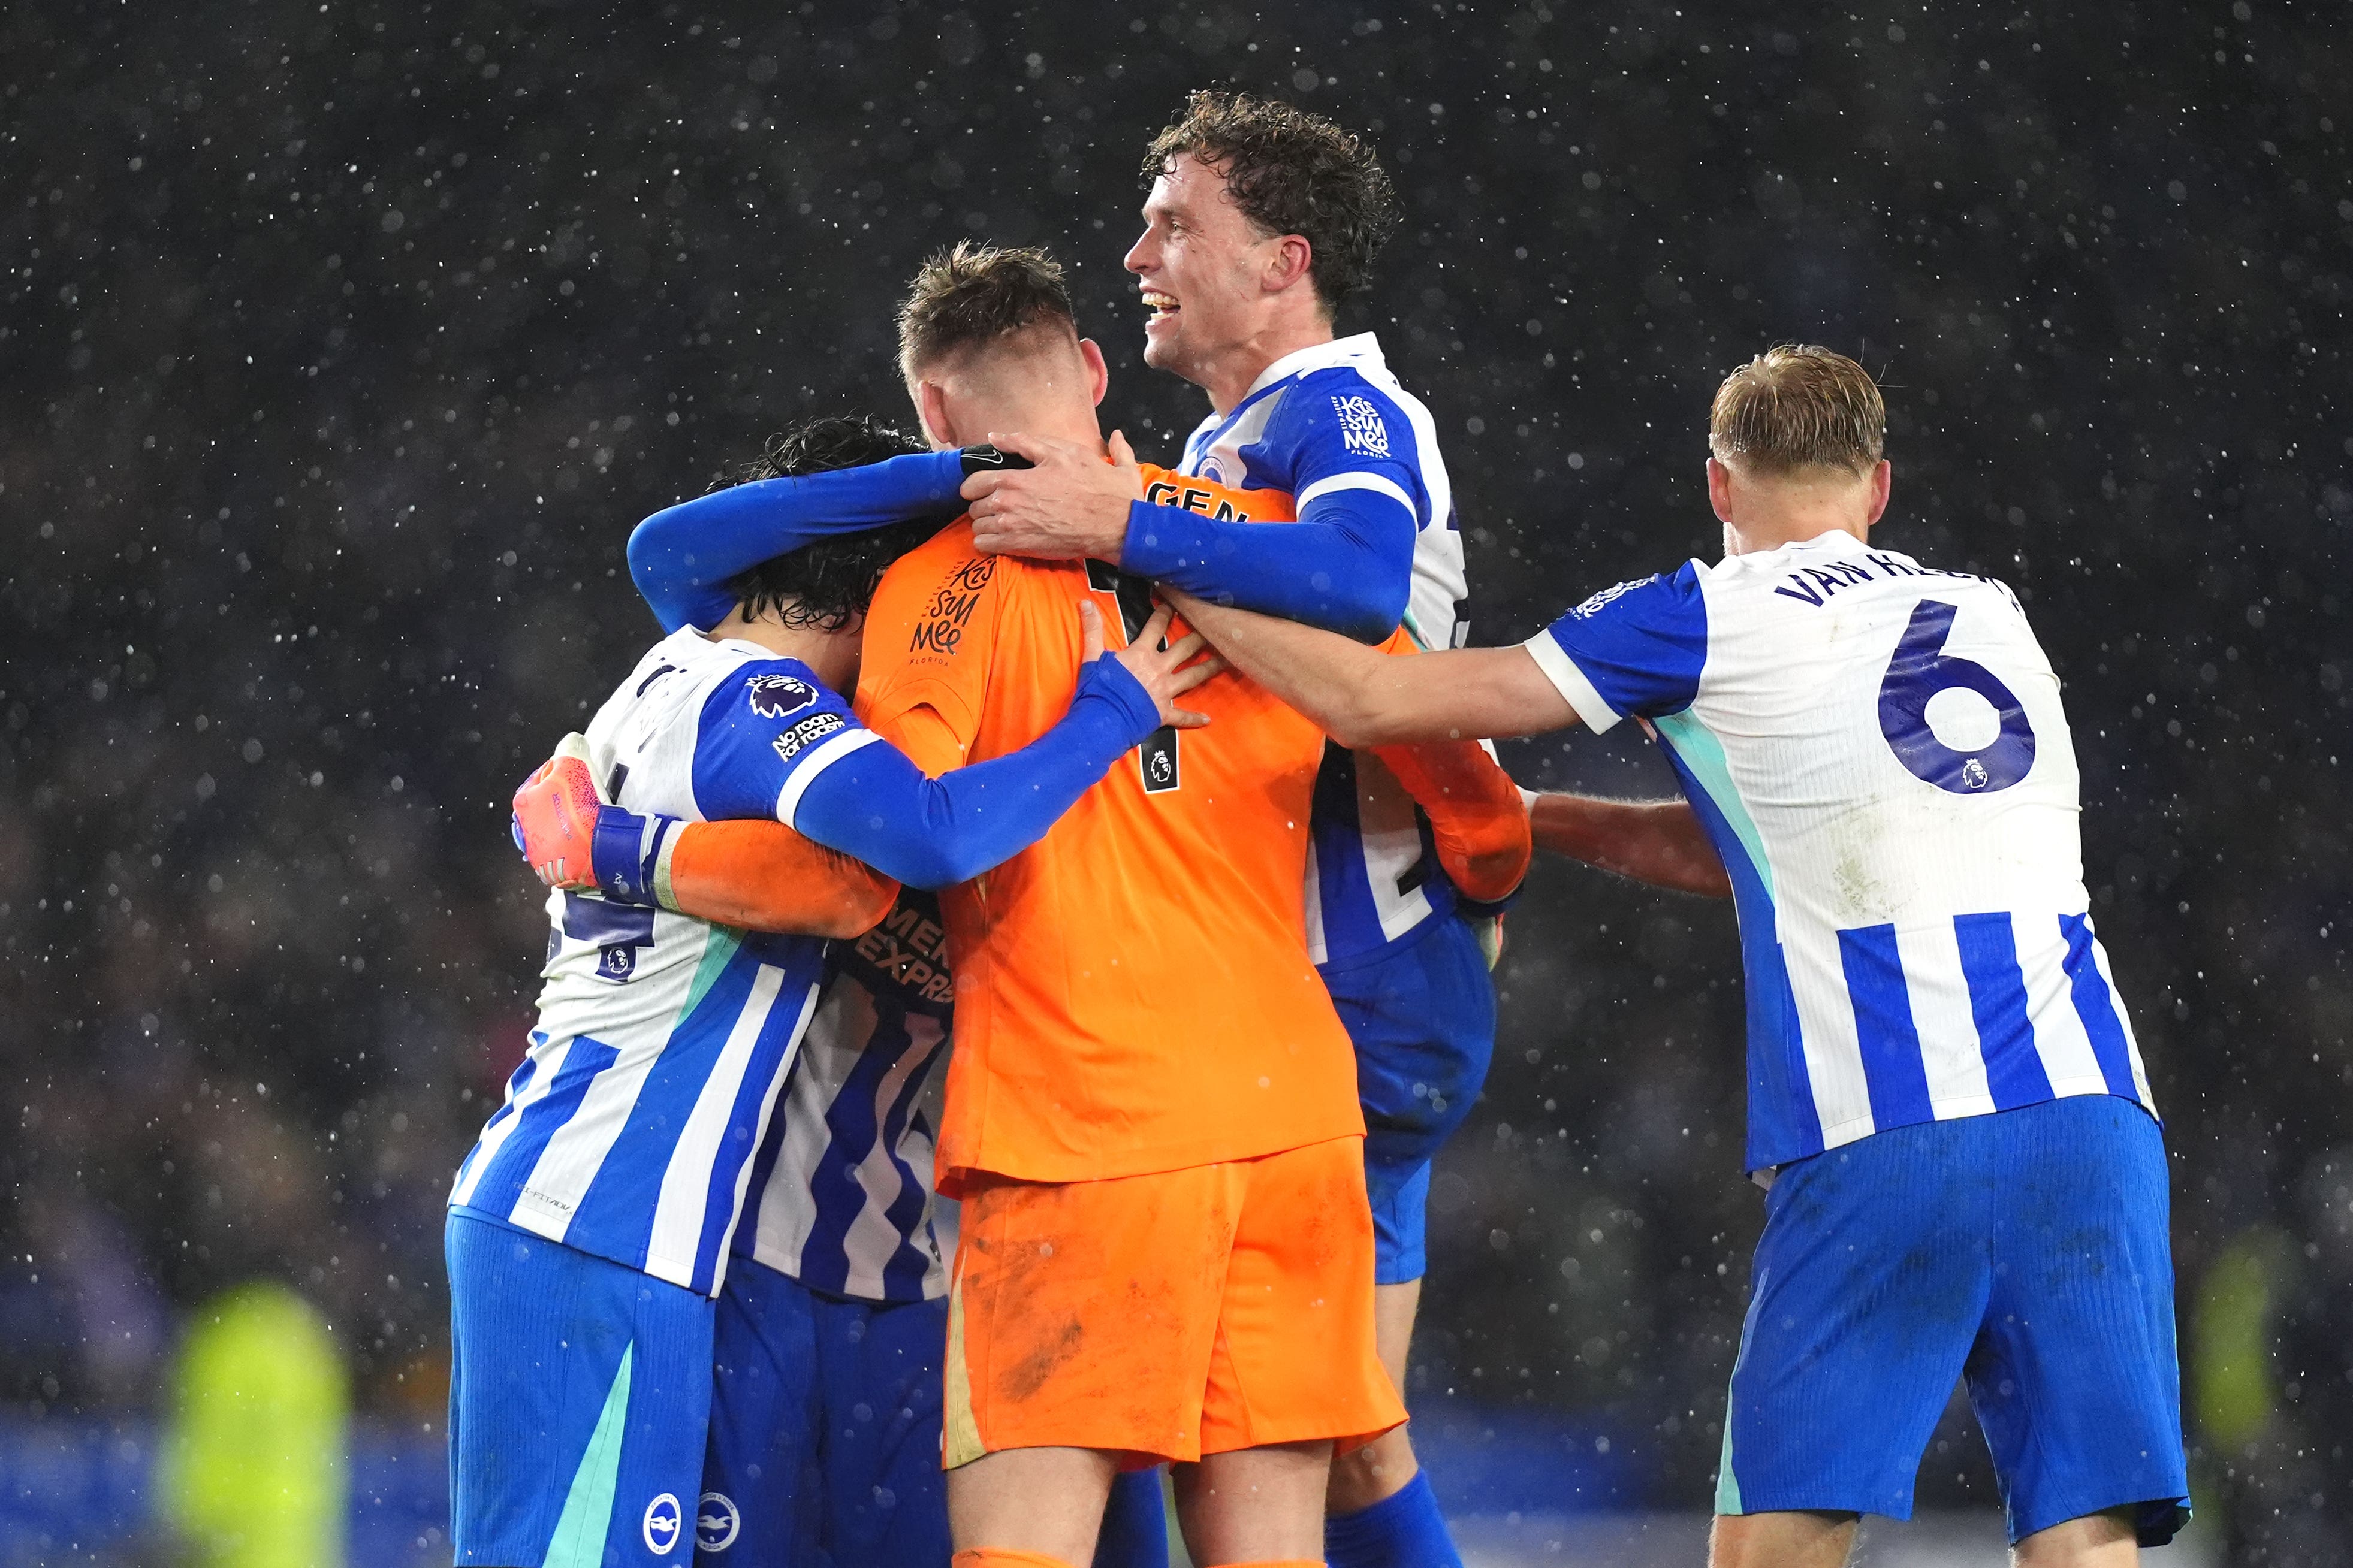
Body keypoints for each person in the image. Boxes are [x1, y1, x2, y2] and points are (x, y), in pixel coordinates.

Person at [1160, 346, 2189, 1568]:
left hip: (1891, 1123)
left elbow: (1379, 705)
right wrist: (1537, 817)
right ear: (1877, 488)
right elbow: (1765, 845)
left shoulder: (1701, 611)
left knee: (1773, 1545)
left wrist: (1162, 557)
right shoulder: (1990, 610)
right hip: (2092, 1114)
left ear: (1717, 486)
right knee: (2084, 1537)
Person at [450, 413, 1212, 1568]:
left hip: (619, 1230)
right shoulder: (750, 694)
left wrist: (612, 847)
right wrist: (1112, 710)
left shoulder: (680, 667)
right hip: (594, 1216)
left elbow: (835, 887)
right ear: (876, 593)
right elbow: (921, 837)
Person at [952, 92, 1515, 1568]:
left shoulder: (1339, 405)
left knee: (1261, 1421)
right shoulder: (1235, 434)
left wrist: (1116, 522)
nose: (1136, 249)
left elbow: (1350, 576)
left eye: (1174, 221)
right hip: (1304, 970)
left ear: (1284, 261)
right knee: (1254, 1421)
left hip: (1345, 964)